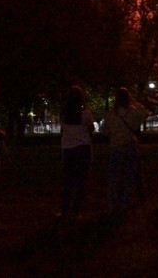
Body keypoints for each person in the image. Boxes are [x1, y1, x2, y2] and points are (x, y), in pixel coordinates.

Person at [103, 87, 151, 212]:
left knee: (114, 176)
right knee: (129, 176)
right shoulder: (134, 113)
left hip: (115, 147)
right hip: (130, 146)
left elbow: (105, 131)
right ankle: (125, 201)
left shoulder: (110, 115)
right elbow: (146, 113)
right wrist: (135, 103)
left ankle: (112, 203)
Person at [59, 85, 95, 221]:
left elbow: (63, 130)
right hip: (83, 148)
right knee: (80, 181)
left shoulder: (63, 113)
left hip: (68, 148)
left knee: (68, 180)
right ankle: (76, 210)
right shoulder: (85, 113)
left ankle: (64, 209)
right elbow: (91, 128)